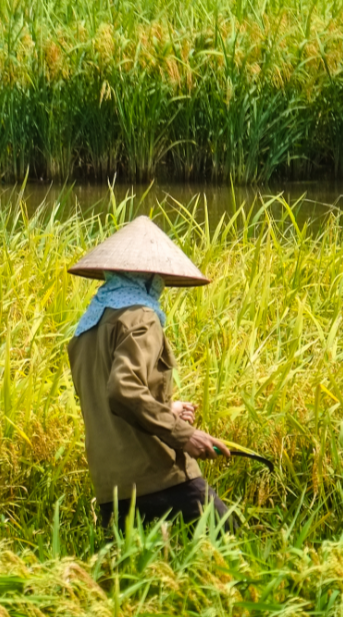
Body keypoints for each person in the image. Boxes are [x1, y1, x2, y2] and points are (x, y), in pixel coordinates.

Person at [67, 215, 232, 531]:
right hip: (155, 473)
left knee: (130, 575)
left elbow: (106, 399)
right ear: (147, 277)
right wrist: (185, 436)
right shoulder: (141, 317)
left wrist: (165, 407)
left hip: (109, 483)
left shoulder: (86, 328)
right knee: (232, 545)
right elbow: (123, 390)